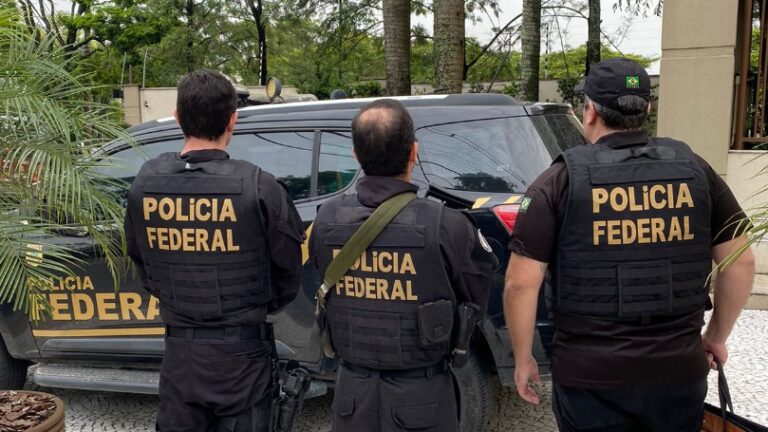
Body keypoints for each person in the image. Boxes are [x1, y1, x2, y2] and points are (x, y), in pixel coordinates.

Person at [503, 58, 755, 431]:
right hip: (678, 371)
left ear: (589, 111)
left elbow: (520, 284)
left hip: (590, 380)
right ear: (646, 109)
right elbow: (740, 262)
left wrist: (523, 357)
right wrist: (715, 337)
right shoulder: (696, 171)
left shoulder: (558, 181)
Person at [124, 69, 305, 432]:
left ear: (178, 118)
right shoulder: (260, 186)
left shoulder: (145, 184)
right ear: (232, 120)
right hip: (242, 358)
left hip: (180, 359)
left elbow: (142, 261)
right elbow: (288, 273)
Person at [309, 99, 496, 432]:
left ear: (355, 155)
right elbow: (476, 298)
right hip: (423, 399)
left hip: (352, 397)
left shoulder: (324, 222)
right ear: (414, 152)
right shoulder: (447, 225)